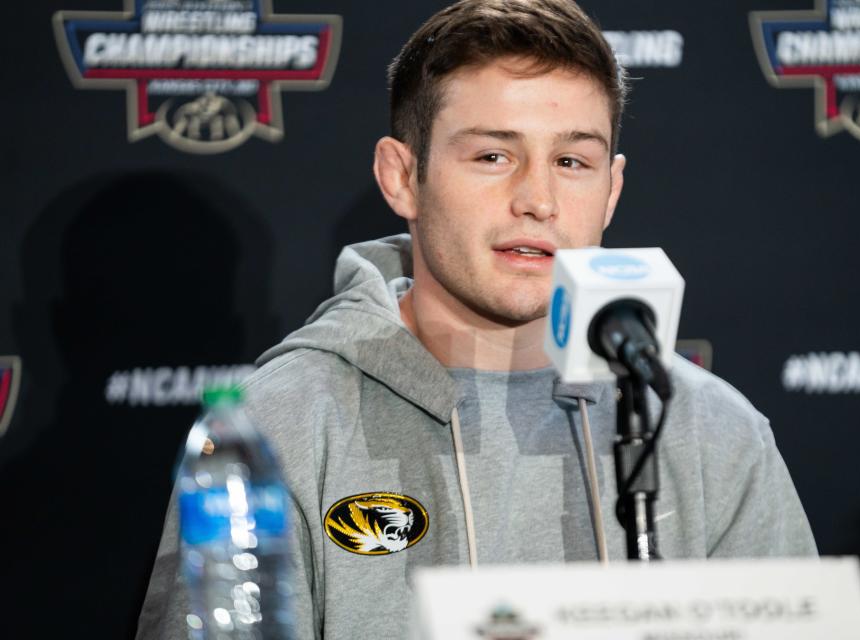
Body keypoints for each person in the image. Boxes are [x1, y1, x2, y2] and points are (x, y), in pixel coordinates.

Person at [137, 1, 817, 638]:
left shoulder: (711, 430)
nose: (538, 199)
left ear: (610, 190)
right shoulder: (278, 425)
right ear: (402, 176)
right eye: (493, 155)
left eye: (572, 161)